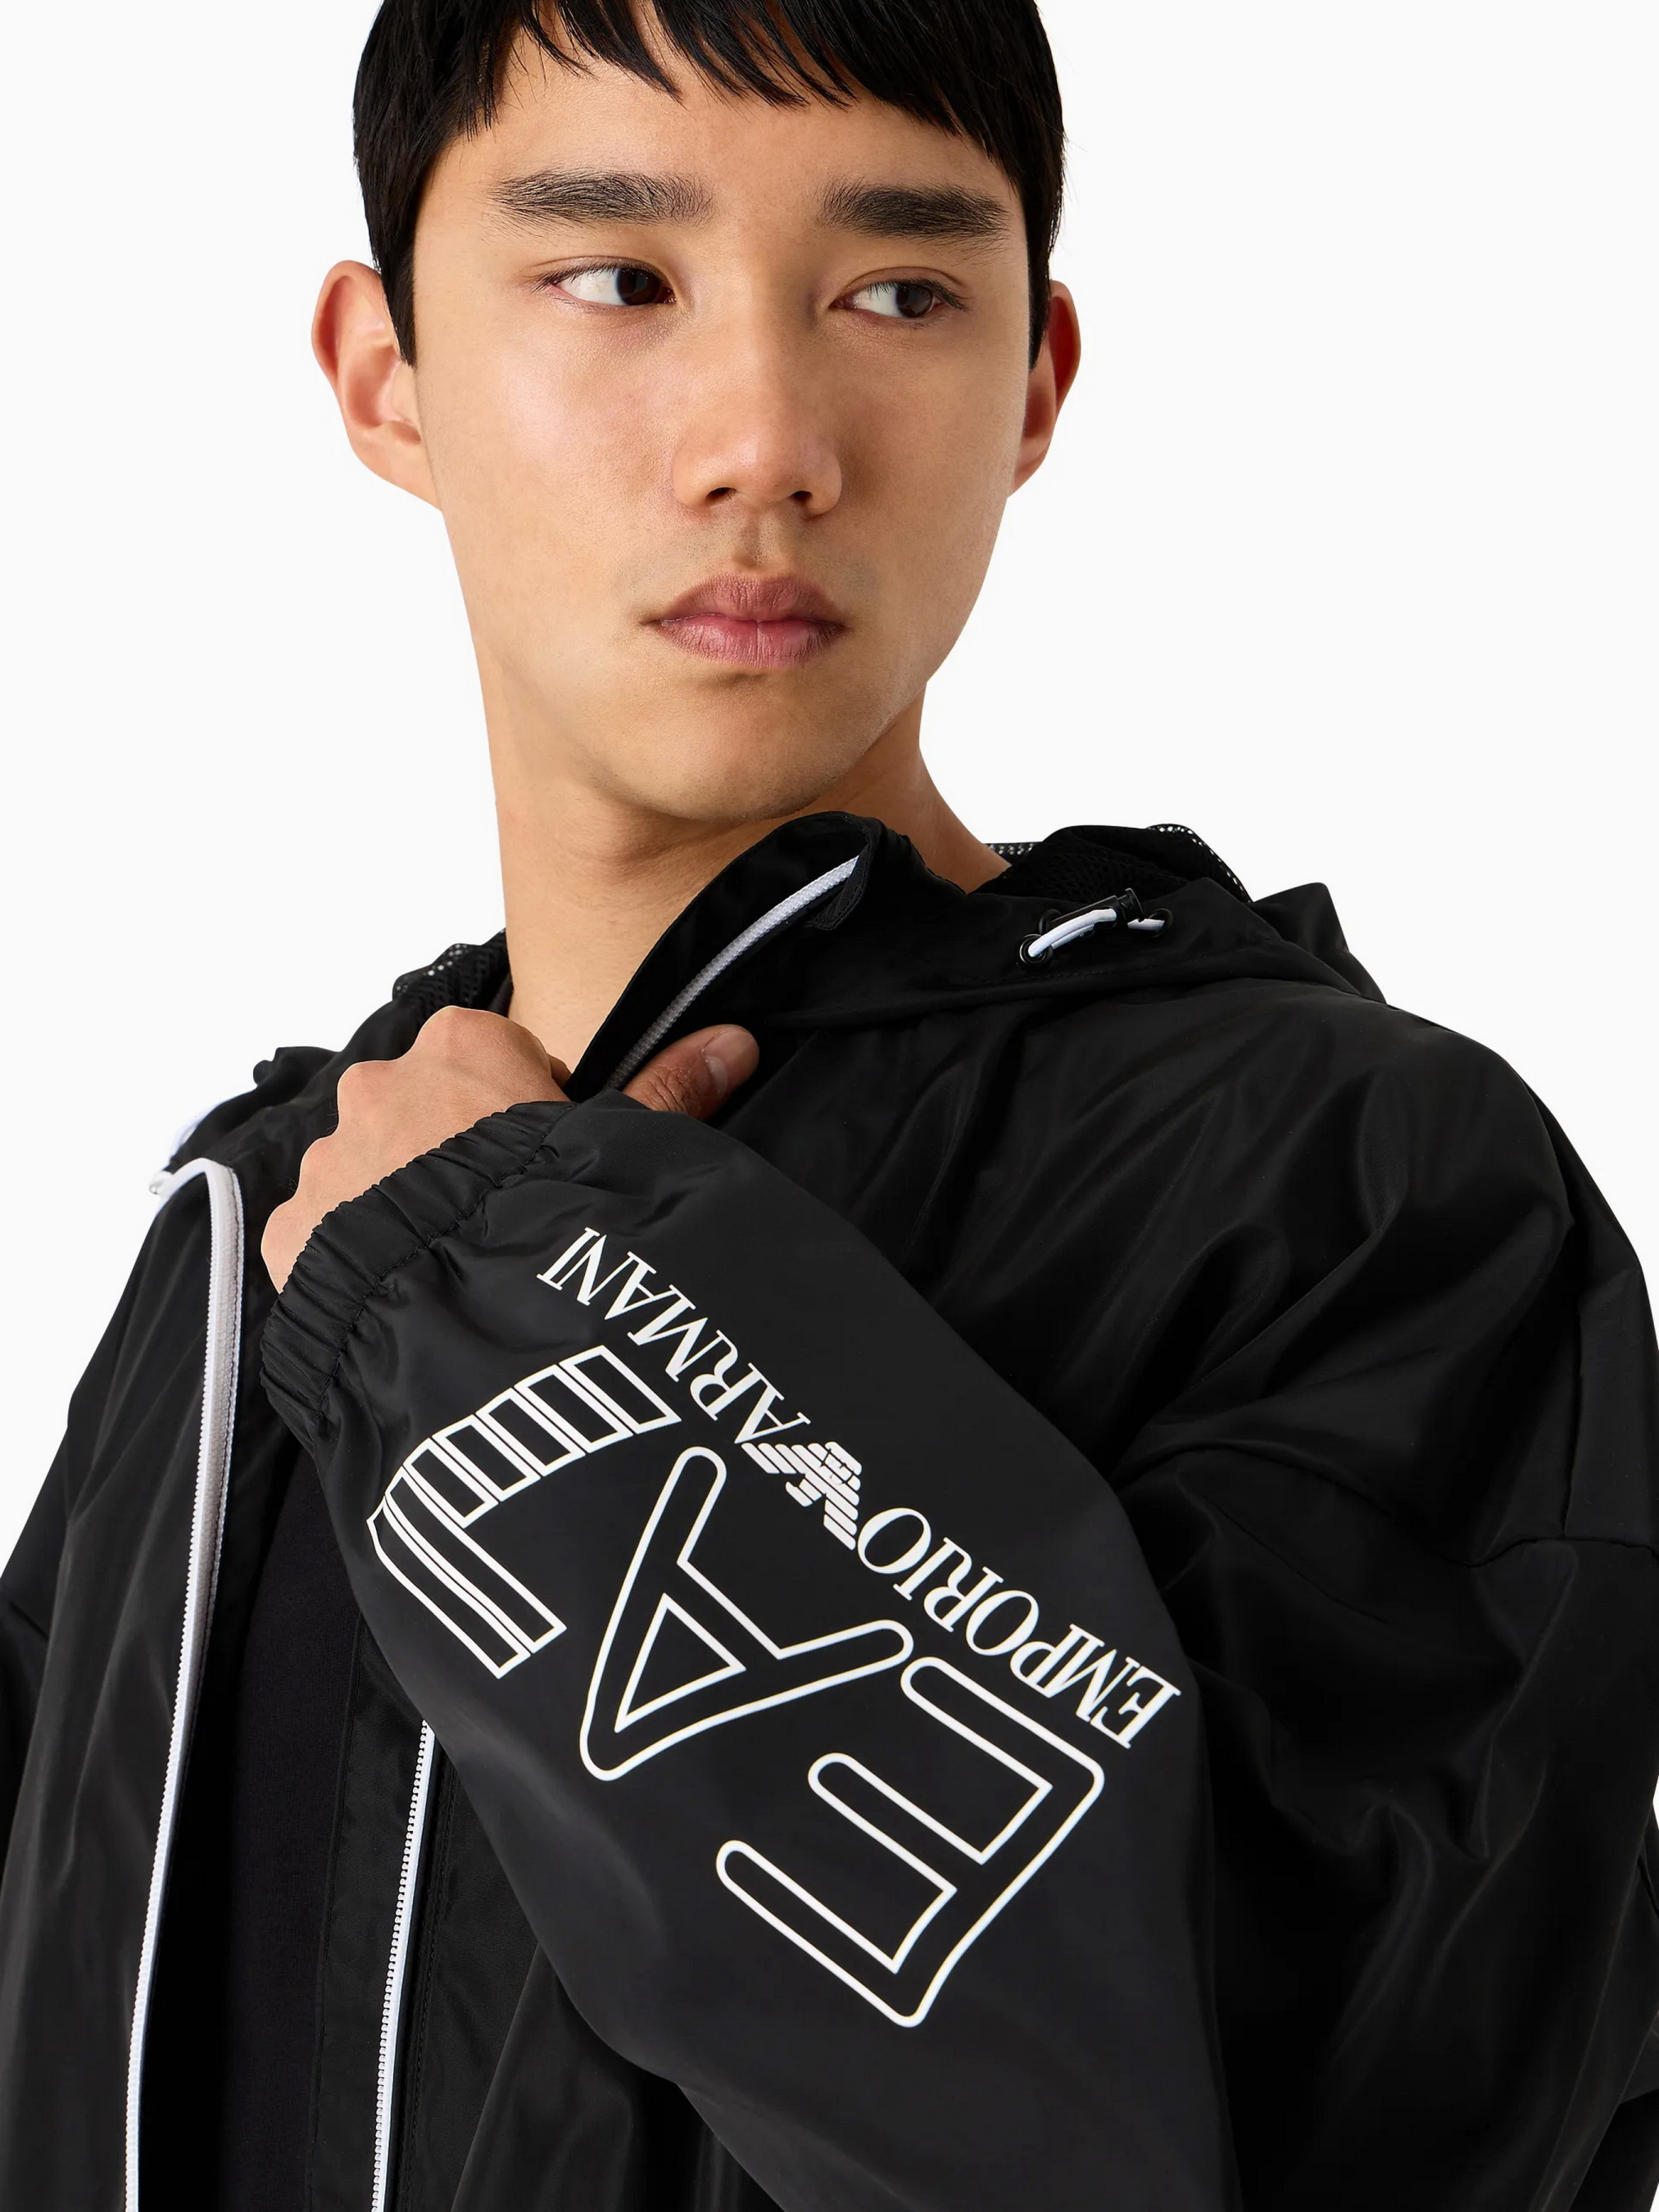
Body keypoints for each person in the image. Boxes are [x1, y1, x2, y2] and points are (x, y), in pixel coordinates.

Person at [3, 1, 1657, 2205]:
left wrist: (500, 1316)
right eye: (617, 278)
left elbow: (1247, 2132)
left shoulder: (1344, 1189)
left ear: (1034, 381)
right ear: (386, 373)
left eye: (896, 294)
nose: (764, 443)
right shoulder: (265, 1222)